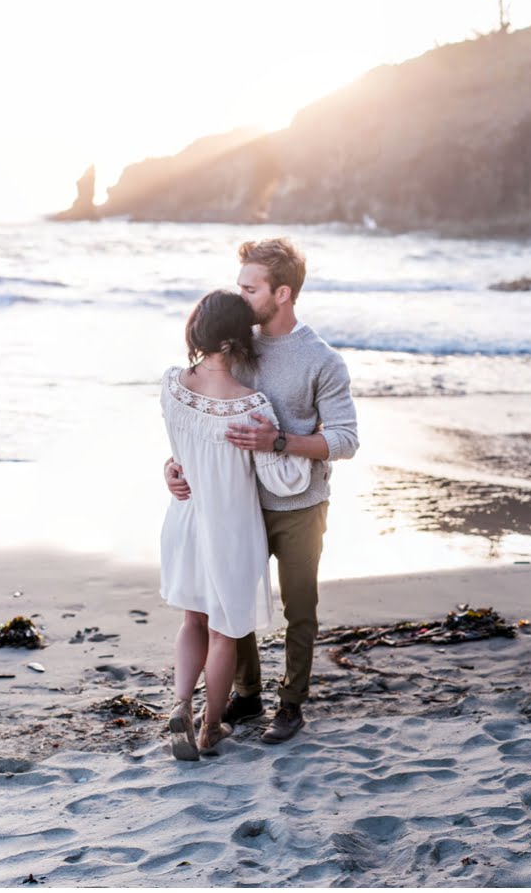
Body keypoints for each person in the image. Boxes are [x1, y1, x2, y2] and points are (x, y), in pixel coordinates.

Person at [164, 238, 359, 744]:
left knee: (300, 607)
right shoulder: (235, 346)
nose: (242, 297)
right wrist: (174, 465)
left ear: (283, 294)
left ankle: (290, 705)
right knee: (233, 604)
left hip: (299, 505)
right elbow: (202, 419)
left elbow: (345, 439)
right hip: (236, 502)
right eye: (240, 287)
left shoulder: (322, 361)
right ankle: (246, 694)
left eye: (250, 289)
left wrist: (279, 440)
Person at [158, 289, 312, 761]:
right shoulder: (251, 406)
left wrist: (171, 468)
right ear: (237, 340)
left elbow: (179, 452)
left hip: (185, 518)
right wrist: (292, 447)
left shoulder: (171, 385)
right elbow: (282, 480)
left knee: (193, 619)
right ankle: (209, 727)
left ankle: (182, 703)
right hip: (232, 525)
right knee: (225, 629)